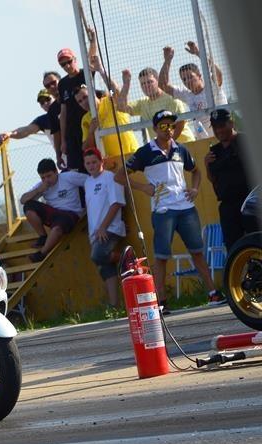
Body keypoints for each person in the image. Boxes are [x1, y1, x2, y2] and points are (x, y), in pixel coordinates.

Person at [115, 110, 226, 311]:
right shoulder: (145, 152)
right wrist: (143, 187)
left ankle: (213, 294)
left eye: (172, 126)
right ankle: (161, 302)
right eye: (164, 126)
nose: (169, 130)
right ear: (155, 129)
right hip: (163, 211)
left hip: (186, 208)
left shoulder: (181, 149)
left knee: (197, 252)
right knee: (161, 256)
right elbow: (119, 176)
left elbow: (196, 171)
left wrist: (194, 189)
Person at [79, 148, 127, 307]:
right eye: (88, 163)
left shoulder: (110, 178)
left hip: (110, 229)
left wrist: (103, 227)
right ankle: (115, 305)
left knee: (98, 255)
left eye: (94, 162)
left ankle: (128, 260)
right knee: (106, 268)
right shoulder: (87, 182)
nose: (91, 166)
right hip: (96, 232)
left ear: (102, 162)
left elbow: (117, 203)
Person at [205, 109, 259, 250]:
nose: (219, 130)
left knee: (257, 242)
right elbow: (213, 178)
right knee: (234, 249)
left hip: (250, 203)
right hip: (228, 206)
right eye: (215, 127)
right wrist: (206, 165)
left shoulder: (246, 141)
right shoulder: (214, 151)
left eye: (222, 126)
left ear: (231, 123)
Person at [20, 158, 85, 263]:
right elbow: (23, 200)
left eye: (49, 176)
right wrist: (38, 190)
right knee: (28, 205)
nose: (46, 180)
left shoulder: (69, 177)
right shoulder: (42, 185)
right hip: (54, 214)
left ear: (56, 172)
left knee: (57, 228)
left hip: (71, 214)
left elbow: (90, 180)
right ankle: (43, 236)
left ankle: (42, 253)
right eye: (43, 177)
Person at [159, 42, 228, 139]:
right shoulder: (187, 94)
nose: (187, 81)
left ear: (199, 76)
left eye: (190, 77)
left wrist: (198, 53)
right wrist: (167, 61)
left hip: (223, 136)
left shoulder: (212, 87)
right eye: (184, 79)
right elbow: (163, 85)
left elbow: (218, 74)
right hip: (204, 142)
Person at [78, 56, 140, 157]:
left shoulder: (109, 101)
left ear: (93, 93)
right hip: (111, 162)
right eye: (80, 101)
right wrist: (91, 131)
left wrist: (101, 70)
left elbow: (115, 91)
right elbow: (85, 148)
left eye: (85, 97)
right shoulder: (86, 119)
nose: (83, 102)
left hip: (132, 153)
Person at [118, 67, 196, 143]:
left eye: (150, 82)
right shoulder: (142, 103)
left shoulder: (171, 97)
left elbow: (180, 122)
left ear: (157, 80)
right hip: (163, 149)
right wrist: (126, 84)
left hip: (185, 144)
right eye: (143, 84)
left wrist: (168, 143)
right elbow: (121, 107)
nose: (146, 86)